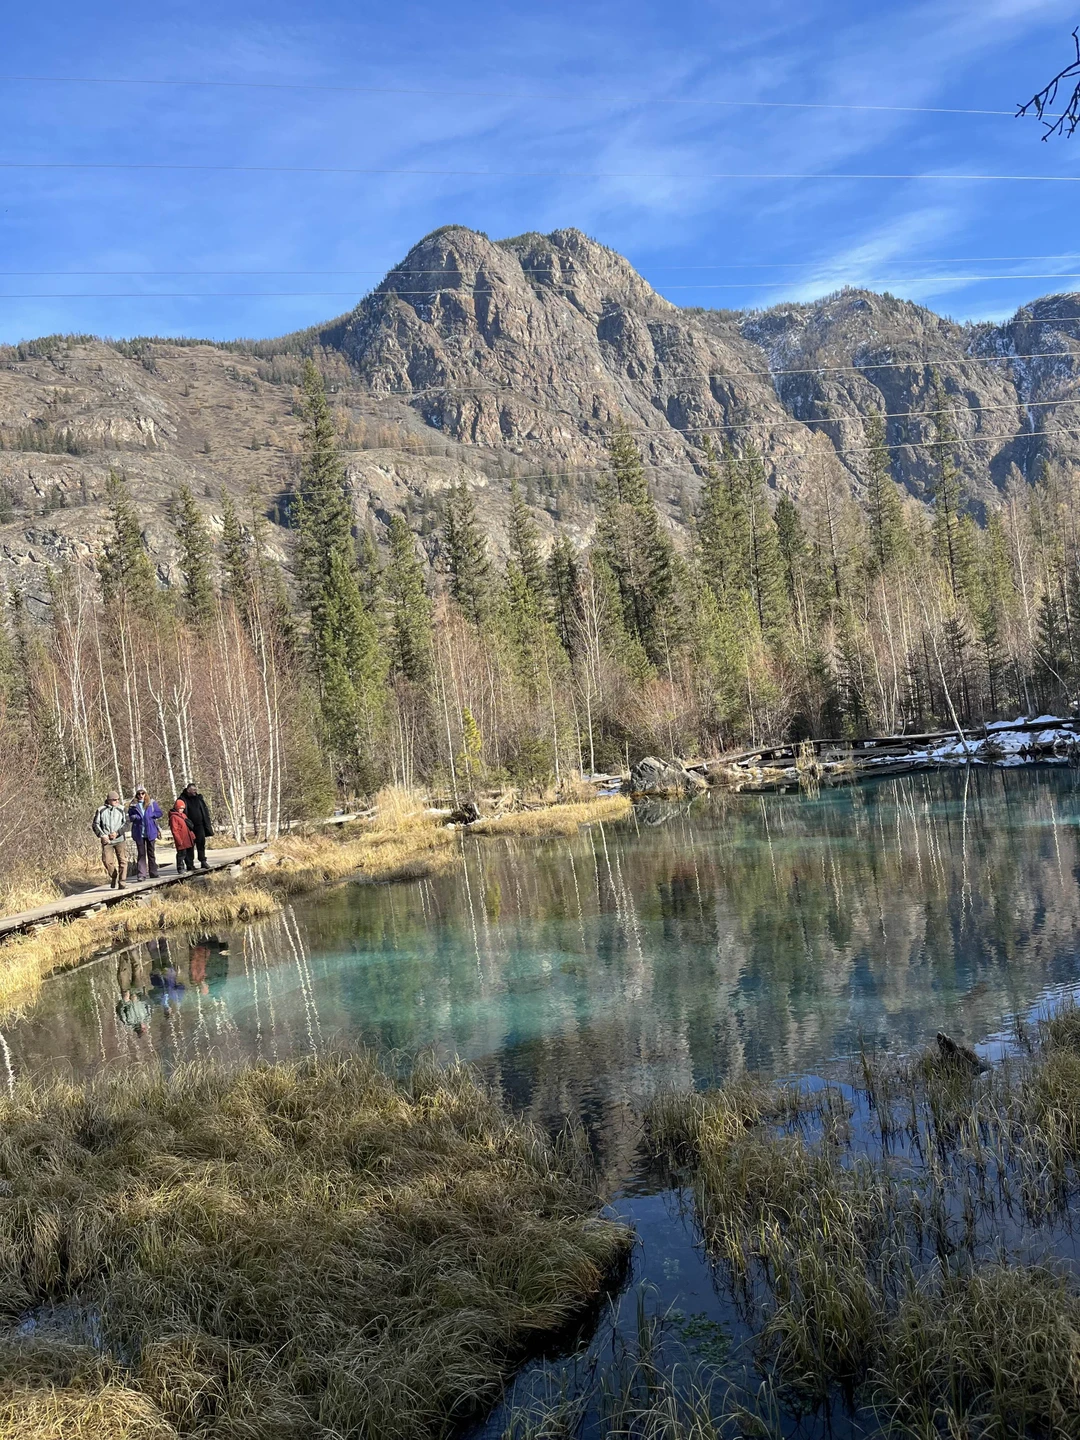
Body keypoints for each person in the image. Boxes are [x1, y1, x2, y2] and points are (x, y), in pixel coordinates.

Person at [92, 791, 129, 889]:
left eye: (118, 799)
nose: (117, 801)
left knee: (123, 861)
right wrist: (102, 835)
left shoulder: (122, 809)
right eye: (114, 800)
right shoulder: (101, 810)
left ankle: (122, 881)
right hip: (107, 841)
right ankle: (114, 875)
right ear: (109, 800)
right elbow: (95, 824)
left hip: (119, 839)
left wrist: (117, 833)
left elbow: (126, 824)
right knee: (107, 861)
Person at [129, 786, 164, 880]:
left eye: (142, 793)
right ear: (136, 795)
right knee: (141, 854)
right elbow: (129, 817)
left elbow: (160, 813)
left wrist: (152, 815)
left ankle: (153, 872)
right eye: (139, 794)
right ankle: (141, 875)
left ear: (145, 794)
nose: (141, 795)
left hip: (151, 831)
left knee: (151, 853)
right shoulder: (133, 804)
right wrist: (135, 817)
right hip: (139, 832)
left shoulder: (152, 803)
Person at [181, 783, 214, 870]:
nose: (195, 791)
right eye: (193, 790)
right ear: (188, 790)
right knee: (190, 846)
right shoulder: (182, 799)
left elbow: (204, 810)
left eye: (196, 790)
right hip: (188, 826)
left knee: (201, 843)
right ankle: (190, 864)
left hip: (200, 825)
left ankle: (203, 861)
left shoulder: (199, 798)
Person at [169, 796, 196, 874]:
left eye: (183, 809)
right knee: (181, 854)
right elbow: (174, 830)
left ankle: (190, 866)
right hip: (181, 839)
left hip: (188, 838)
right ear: (177, 808)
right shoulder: (173, 817)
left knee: (189, 853)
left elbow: (188, 827)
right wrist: (178, 840)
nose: (182, 810)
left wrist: (192, 835)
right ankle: (180, 868)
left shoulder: (183, 815)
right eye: (180, 808)